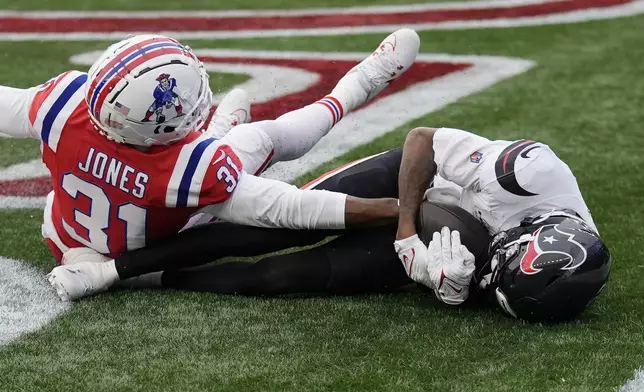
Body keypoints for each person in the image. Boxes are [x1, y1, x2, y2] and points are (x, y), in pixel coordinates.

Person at [0, 29, 421, 299]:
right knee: (257, 138)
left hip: (63, 234)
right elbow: (288, 207)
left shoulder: (64, 103)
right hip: (151, 249)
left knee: (215, 155)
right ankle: (357, 86)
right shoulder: (187, 167)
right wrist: (398, 210)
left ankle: (221, 132)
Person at [57, 127, 612, 322]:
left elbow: (502, 280)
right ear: (526, 234)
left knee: (276, 279)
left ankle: (152, 279)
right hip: (414, 181)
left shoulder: (549, 274)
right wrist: (406, 234)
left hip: (453, 234)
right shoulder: (530, 174)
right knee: (269, 227)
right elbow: (423, 141)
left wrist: (451, 284)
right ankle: (110, 269)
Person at [394, 127, 612, 321]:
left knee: (360, 270)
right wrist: (407, 238)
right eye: (502, 259)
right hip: (419, 175)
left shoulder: (576, 259)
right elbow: (422, 140)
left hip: (440, 227)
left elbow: (507, 287)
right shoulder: (524, 175)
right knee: (359, 201)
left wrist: (457, 292)